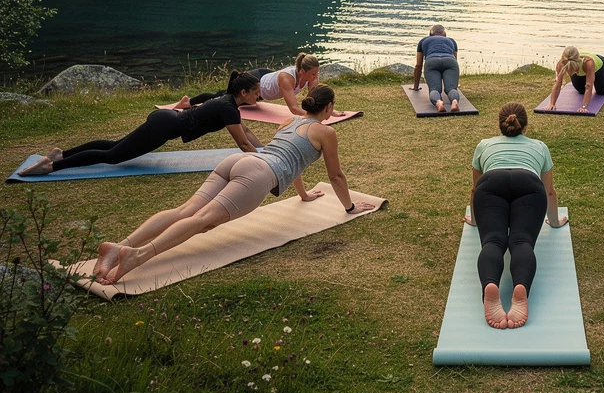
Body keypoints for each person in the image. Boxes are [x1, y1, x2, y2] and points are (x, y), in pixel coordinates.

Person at [92, 84, 377, 285]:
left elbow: (294, 162)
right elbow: (336, 176)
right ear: (328, 107)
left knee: (185, 211)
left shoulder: (289, 121)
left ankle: (120, 247)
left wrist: (303, 195)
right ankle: (137, 256)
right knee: (203, 221)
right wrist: (349, 206)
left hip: (237, 163)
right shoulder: (325, 132)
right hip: (259, 173)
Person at [19, 71, 264, 177]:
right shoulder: (228, 108)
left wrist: (264, 149)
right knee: (114, 156)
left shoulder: (225, 98)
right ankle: (53, 167)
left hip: (165, 120)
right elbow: (242, 142)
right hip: (165, 126)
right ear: (243, 92)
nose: (258, 97)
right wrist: (263, 162)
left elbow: (245, 130)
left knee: (114, 146)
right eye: (256, 93)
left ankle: (61, 153)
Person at [465, 102, 567, 329]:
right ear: (525, 127)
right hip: (529, 185)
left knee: (492, 240)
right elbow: (549, 191)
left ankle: (490, 285)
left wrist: (474, 219)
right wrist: (555, 222)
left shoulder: (484, 145)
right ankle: (521, 288)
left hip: (490, 184)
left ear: (500, 125)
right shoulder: (540, 146)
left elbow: (474, 189)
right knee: (521, 241)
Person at [176, 53, 321, 117]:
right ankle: (188, 102)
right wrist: (313, 116)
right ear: (302, 71)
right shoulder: (287, 78)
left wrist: (329, 112)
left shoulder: (311, 76)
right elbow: (294, 108)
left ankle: (189, 102)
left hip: (264, 87)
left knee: (242, 104)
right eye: (313, 74)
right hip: (257, 79)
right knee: (224, 97)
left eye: (317, 73)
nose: (316, 77)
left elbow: (315, 99)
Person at [412, 25, 462, 112]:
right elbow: (455, 61)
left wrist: (416, 87)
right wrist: (454, 83)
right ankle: (454, 102)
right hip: (450, 61)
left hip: (432, 61)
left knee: (434, 89)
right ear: (444, 34)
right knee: (451, 89)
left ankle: (438, 102)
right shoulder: (451, 41)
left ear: (430, 34)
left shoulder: (424, 41)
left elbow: (418, 65)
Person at [546, 46, 604, 113]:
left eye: (572, 68)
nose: (570, 70)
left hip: (599, 67)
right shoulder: (561, 63)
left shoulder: (588, 63)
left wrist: (584, 107)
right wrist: (552, 104)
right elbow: (558, 83)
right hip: (580, 69)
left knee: (602, 91)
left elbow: (588, 85)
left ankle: (596, 79)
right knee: (581, 91)